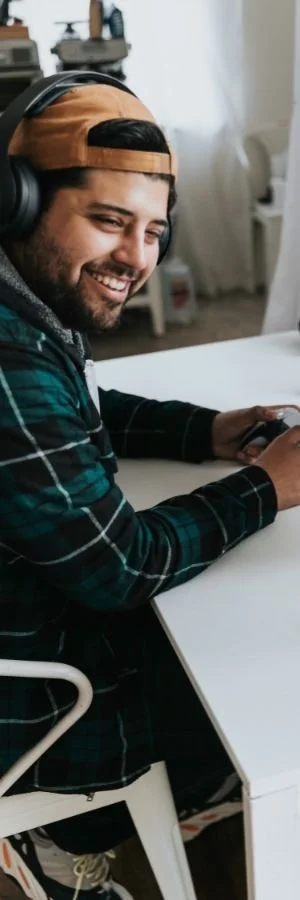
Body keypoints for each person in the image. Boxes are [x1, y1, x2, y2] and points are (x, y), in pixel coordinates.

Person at [0, 75, 300, 900]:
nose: (137, 257)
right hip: (33, 695)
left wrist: (204, 430)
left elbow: (81, 400)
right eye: (108, 221)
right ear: (18, 203)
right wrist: (268, 490)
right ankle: (65, 834)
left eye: (153, 231)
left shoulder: (26, 308)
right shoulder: (5, 361)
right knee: (257, 687)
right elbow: (119, 569)